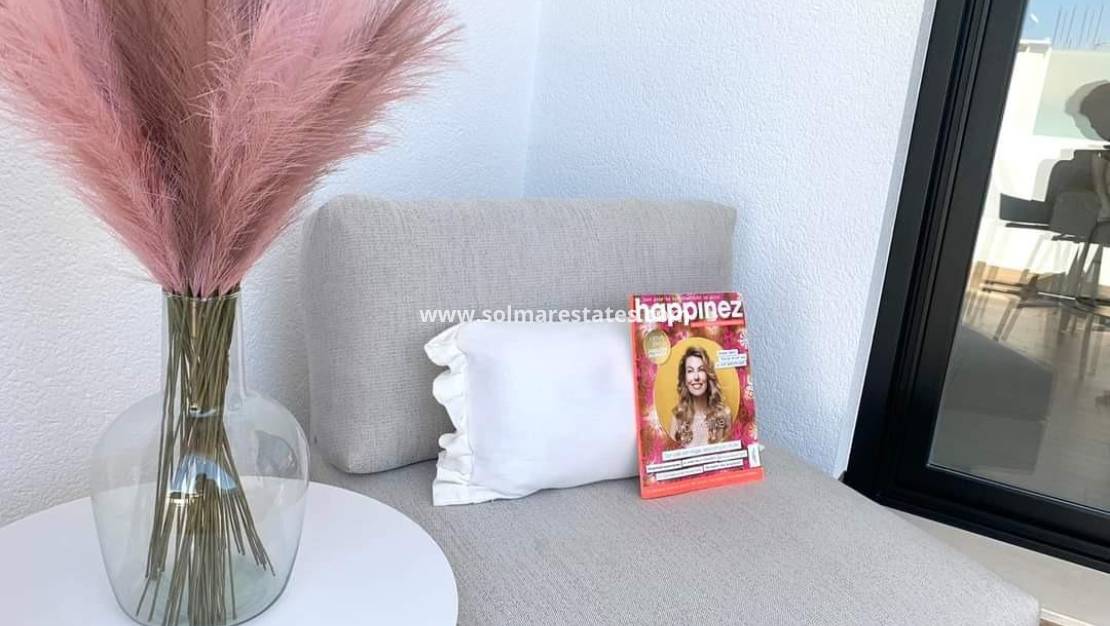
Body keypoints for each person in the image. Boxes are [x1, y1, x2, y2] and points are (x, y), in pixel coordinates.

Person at [670, 346, 732, 447]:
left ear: (708, 375)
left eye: (701, 370)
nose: (696, 377)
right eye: (690, 371)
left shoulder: (724, 414)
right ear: (684, 379)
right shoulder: (678, 417)